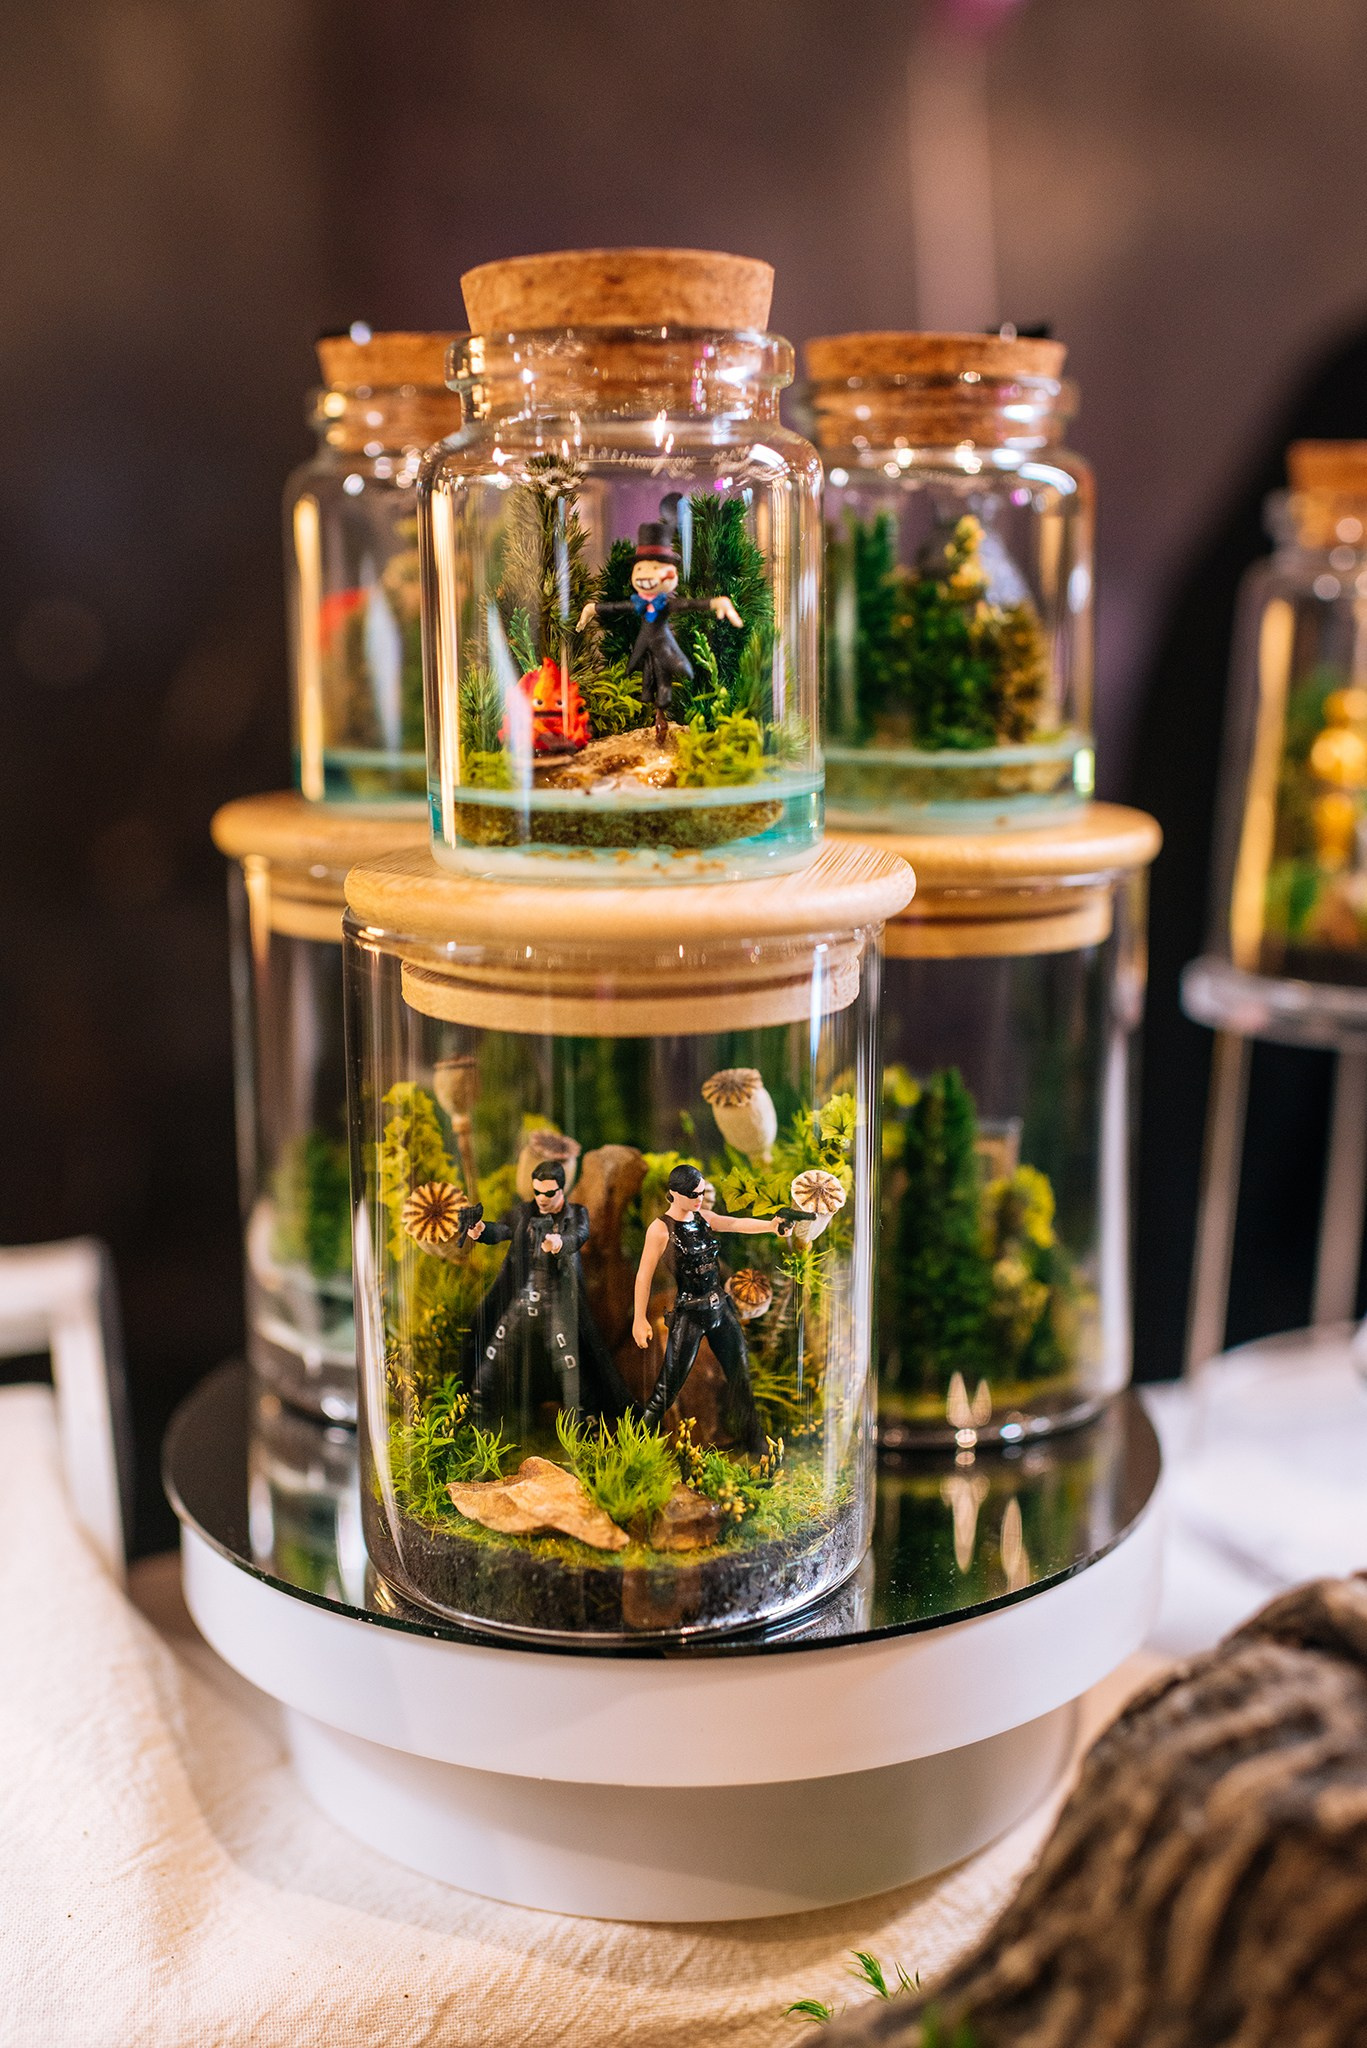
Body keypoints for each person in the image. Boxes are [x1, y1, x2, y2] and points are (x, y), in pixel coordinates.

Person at [632, 1162, 795, 1454]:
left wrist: (771, 1226)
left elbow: (734, 1224)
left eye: (701, 1192)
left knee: (740, 1377)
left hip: (720, 1308)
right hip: (689, 1315)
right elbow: (644, 1275)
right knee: (667, 1388)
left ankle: (754, 1440)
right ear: (674, 1193)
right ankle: (635, 1444)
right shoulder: (660, 1229)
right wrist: (639, 1319)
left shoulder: (703, 1218)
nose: (699, 1199)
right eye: (693, 1194)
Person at [465, 1161, 629, 1423]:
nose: (542, 1198)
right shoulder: (524, 1212)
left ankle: (586, 1418)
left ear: (561, 1190)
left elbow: (579, 1234)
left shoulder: (575, 1213)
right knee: (495, 1354)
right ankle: (478, 1412)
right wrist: (481, 1230)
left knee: (569, 1362)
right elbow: (502, 1229)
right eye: (538, 1192)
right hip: (523, 1300)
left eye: (549, 1193)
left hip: (556, 1301)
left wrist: (560, 1242)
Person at [576, 497, 743, 745]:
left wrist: (717, 602)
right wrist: (592, 609)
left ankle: (662, 718)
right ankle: (657, 717)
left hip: (665, 649)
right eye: (641, 569)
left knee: (665, 684)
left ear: (671, 573)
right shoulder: (639, 603)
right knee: (647, 683)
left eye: (654, 569)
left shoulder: (664, 604)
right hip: (645, 650)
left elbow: (689, 604)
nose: (646, 576)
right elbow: (617, 607)